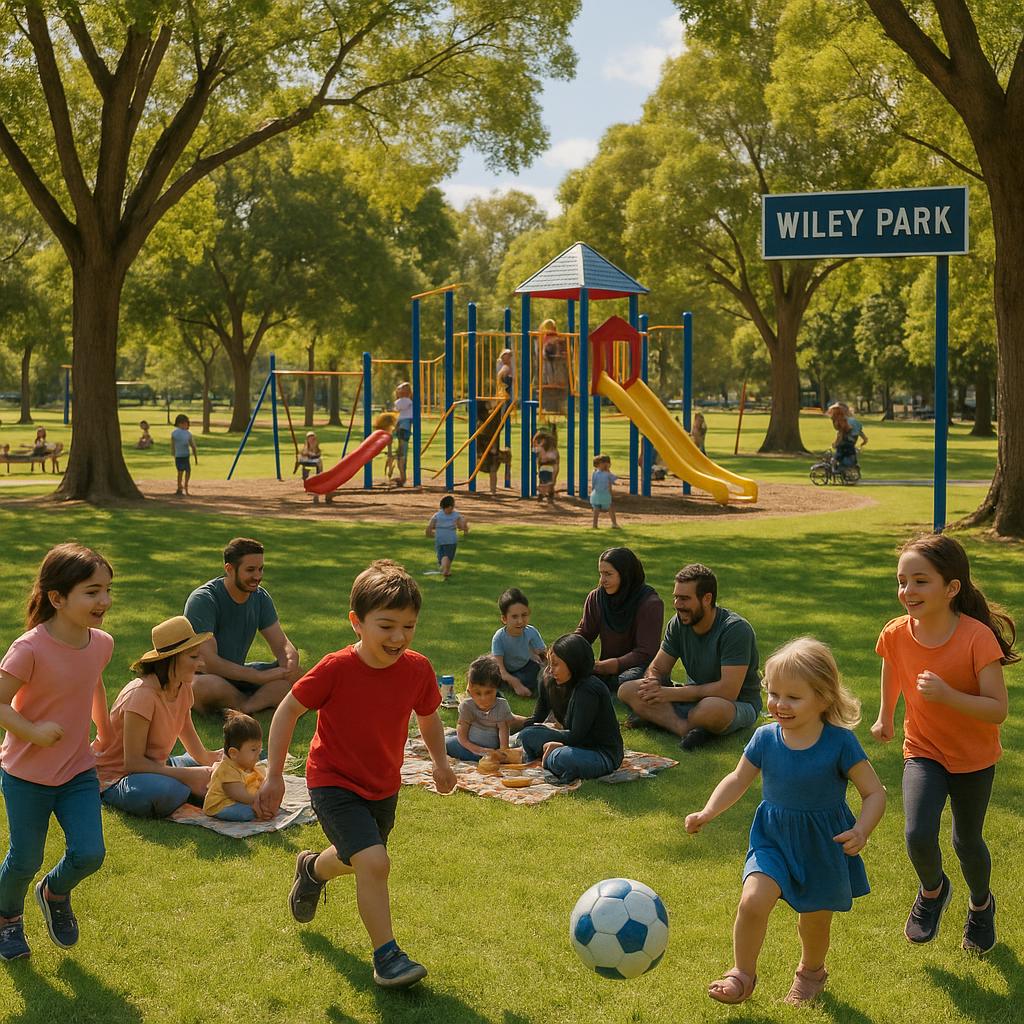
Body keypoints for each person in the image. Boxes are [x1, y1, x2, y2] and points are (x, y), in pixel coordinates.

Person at [254, 560, 457, 989]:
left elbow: (430, 716)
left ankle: (311, 870)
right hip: (333, 781)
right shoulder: (336, 668)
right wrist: (274, 774)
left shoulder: (417, 669)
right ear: (357, 623)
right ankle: (388, 957)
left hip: (383, 784)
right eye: (386, 626)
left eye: (408, 626)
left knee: (356, 859)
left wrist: (441, 762)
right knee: (374, 861)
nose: (398, 637)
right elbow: (288, 710)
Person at [685, 638, 885, 1006]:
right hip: (773, 839)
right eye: (773, 693)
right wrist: (708, 811)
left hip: (824, 845)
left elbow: (875, 793)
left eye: (793, 697)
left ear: (823, 698)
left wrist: (862, 829)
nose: (779, 704)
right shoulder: (765, 738)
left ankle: (811, 973)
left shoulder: (839, 743)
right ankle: (741, 974)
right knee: (752, 901)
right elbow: (737, 779)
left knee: (814, 922)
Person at [873, 533, 1016, 954]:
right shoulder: (896, 632)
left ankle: (981, 905)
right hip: (924, 750)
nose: (907, 591)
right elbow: (892, 669)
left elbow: (997, 709)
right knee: (918, 832)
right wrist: (886, 716)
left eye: (920, 581)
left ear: (951, 588)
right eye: (902, 581)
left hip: (974, 758)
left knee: (966, 841)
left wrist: (949, 696)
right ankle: (933, 892)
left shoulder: (976, 637)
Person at [0, 544, 113, 961]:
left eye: (106, 589)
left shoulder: (101, 643)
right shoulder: (29, 649)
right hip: (26, 776)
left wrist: (103, 725)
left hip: (77, 771)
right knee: (24, 858)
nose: (103, 601)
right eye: (92, 591)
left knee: (90, 852)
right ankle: (7, 919)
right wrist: (32, 730)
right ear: (57, 598)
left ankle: (54, 892)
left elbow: (94, 681)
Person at [619, 563, 761, 750]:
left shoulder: (735, 630)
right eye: (676, 597)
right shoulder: (678, 624)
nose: (678, 604)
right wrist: (653, 682)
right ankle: (684, 728)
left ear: (707, 599)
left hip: (734, 703)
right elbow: (658, 668)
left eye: (685, 598)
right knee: (627, 690)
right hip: (692, 697)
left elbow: (728, 691)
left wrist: (668, 693)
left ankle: (663, 719)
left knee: (710, 709)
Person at [95, 617, 222, 819]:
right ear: (171, 659)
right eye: (193, 657)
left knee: (228, 762)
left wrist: (211, 760)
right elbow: (133, 763)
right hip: (118, 778)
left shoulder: (182, 686)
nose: (201, 663)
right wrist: (190, 776)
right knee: (168, 791)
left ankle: (196, 787)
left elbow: (187, 733)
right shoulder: (142, 694)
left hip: (157, 766)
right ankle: (194, 790)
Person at [184, 537, 300, 714]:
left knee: (299, 675)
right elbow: (209, 662)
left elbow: (281, 643)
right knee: (203, 687)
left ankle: (246, 707)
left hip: (240, 673)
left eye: (261, 569)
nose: (258, 576)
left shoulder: (260, 597)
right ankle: (259, 702)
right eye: (250, 570)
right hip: (206, 676)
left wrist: (289, 662)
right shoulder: (204, 600)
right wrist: (257, 677)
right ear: (230, 569)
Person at [517, 634, 624, 783]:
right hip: (572, 742)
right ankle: (548, 757)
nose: (550, 669)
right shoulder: (549, 680)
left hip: (599, 753)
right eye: (549, 663)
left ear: (573, 664)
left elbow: (576, 736)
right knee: (527, 735)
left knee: (561, 757)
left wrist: (555, 743)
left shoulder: (588, 689)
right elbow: (536, 719)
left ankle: (550, 759)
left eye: (556, 664)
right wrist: (506, 722)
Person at [575, 548, 664, 696]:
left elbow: (645, 653)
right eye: (601, 574)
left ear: (626, 575)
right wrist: (565, 652)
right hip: (606, 669)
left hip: (640, 668)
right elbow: (585, 633)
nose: (602, 580)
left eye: (608, 574)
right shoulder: (597, 598)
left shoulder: (650, 604)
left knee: (629, 681)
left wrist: (603, 667)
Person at [444, 656, 514, 762]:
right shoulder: (467, 706)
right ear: (470, 690)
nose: (483, 698)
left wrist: (503, 751)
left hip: (491, 749)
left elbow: (503, 730)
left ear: (496, 689)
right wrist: (477, 749)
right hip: (468, 747)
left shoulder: (501, 705)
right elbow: (462, 736)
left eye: (488, 692)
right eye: (478, 693)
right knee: (446, 744)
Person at [203, 711, 266, 822]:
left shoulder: (246, 764)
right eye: (253, 749)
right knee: (247, 813)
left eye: (259, 749)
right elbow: (239, 795)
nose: (258, 753)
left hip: (241, 800)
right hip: (222, 804)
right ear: (234, 753)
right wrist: (260, 800)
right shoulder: (227, 770)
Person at [491, 588, 546, 697]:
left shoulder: (531, 632)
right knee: (489, 673)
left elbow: (544, 655)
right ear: (504, 619)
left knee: (536, 672)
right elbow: (502, 671)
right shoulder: (499, 638)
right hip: (505, 671)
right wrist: (516, 684)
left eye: (524, 615)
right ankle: (512, 686)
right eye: (514, 617)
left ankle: (517, 686)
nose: (520, 621)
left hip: (524, 667)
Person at [426, 495, 468, 579]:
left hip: (439, 538)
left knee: (442, 555)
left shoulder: (437, 515)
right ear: (451, 506)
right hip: (451, 540)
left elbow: (430, 525)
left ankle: (447, 570)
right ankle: (445, 570)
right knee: (448, 556)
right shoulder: (456, 515)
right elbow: (461, 525)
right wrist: (464, 528)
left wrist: (429, 533)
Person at [476, 399, 511, 495]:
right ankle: (493, 490)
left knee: (494, 466)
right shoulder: (483, 417)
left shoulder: (492, 419)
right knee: (493, 465)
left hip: (490, 446)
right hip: (485, 446)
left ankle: (493, 490)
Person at [538, 318, 568, 414]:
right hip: (549, 358)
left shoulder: (554, 337)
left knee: (555, 370)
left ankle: (554, 382)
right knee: (550, 370)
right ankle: (552, 382)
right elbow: (545, 349)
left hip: (554, 359)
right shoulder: (546, 337)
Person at [171, 413, 197, 496]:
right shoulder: (178, 433)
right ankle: (180, 487)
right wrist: (174, 454)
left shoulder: (186, 433)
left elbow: (192, 445)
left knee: (185, 471)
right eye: (185, 423)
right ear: (180, 424)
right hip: (180, 456)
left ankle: (184, 486)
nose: (186, 425)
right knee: (182, 472)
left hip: (184, 455)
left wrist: (195, 455)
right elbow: (173, 445)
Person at [590, 454, 619, 528]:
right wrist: (592, 491)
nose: (605, 465)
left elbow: (614, 479)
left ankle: (614, 523)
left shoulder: (606, 473)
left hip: (604, 493)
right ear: (598, 464)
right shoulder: (596, 473)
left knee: (609, 508)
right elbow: (593, 483)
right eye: (603, 463)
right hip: (598, 493)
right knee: (597, 509)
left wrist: (608, 470)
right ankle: (595, 525)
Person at [393, 382, 413, 487]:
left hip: (403, 428)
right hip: (404, 427)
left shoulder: (404, 401)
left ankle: (403, 477)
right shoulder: (408, 402)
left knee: (401, 453)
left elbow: (397, 407)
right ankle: (402, 476)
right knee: (402, 452)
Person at [533, 430, 559, 503]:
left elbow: (554, 459)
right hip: (544, 467)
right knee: (543, 481)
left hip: (552, 466)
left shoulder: (552, 450)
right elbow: (534, 449)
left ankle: (549, 494)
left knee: (550, 481)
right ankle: (543, 494)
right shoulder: (540, 449)